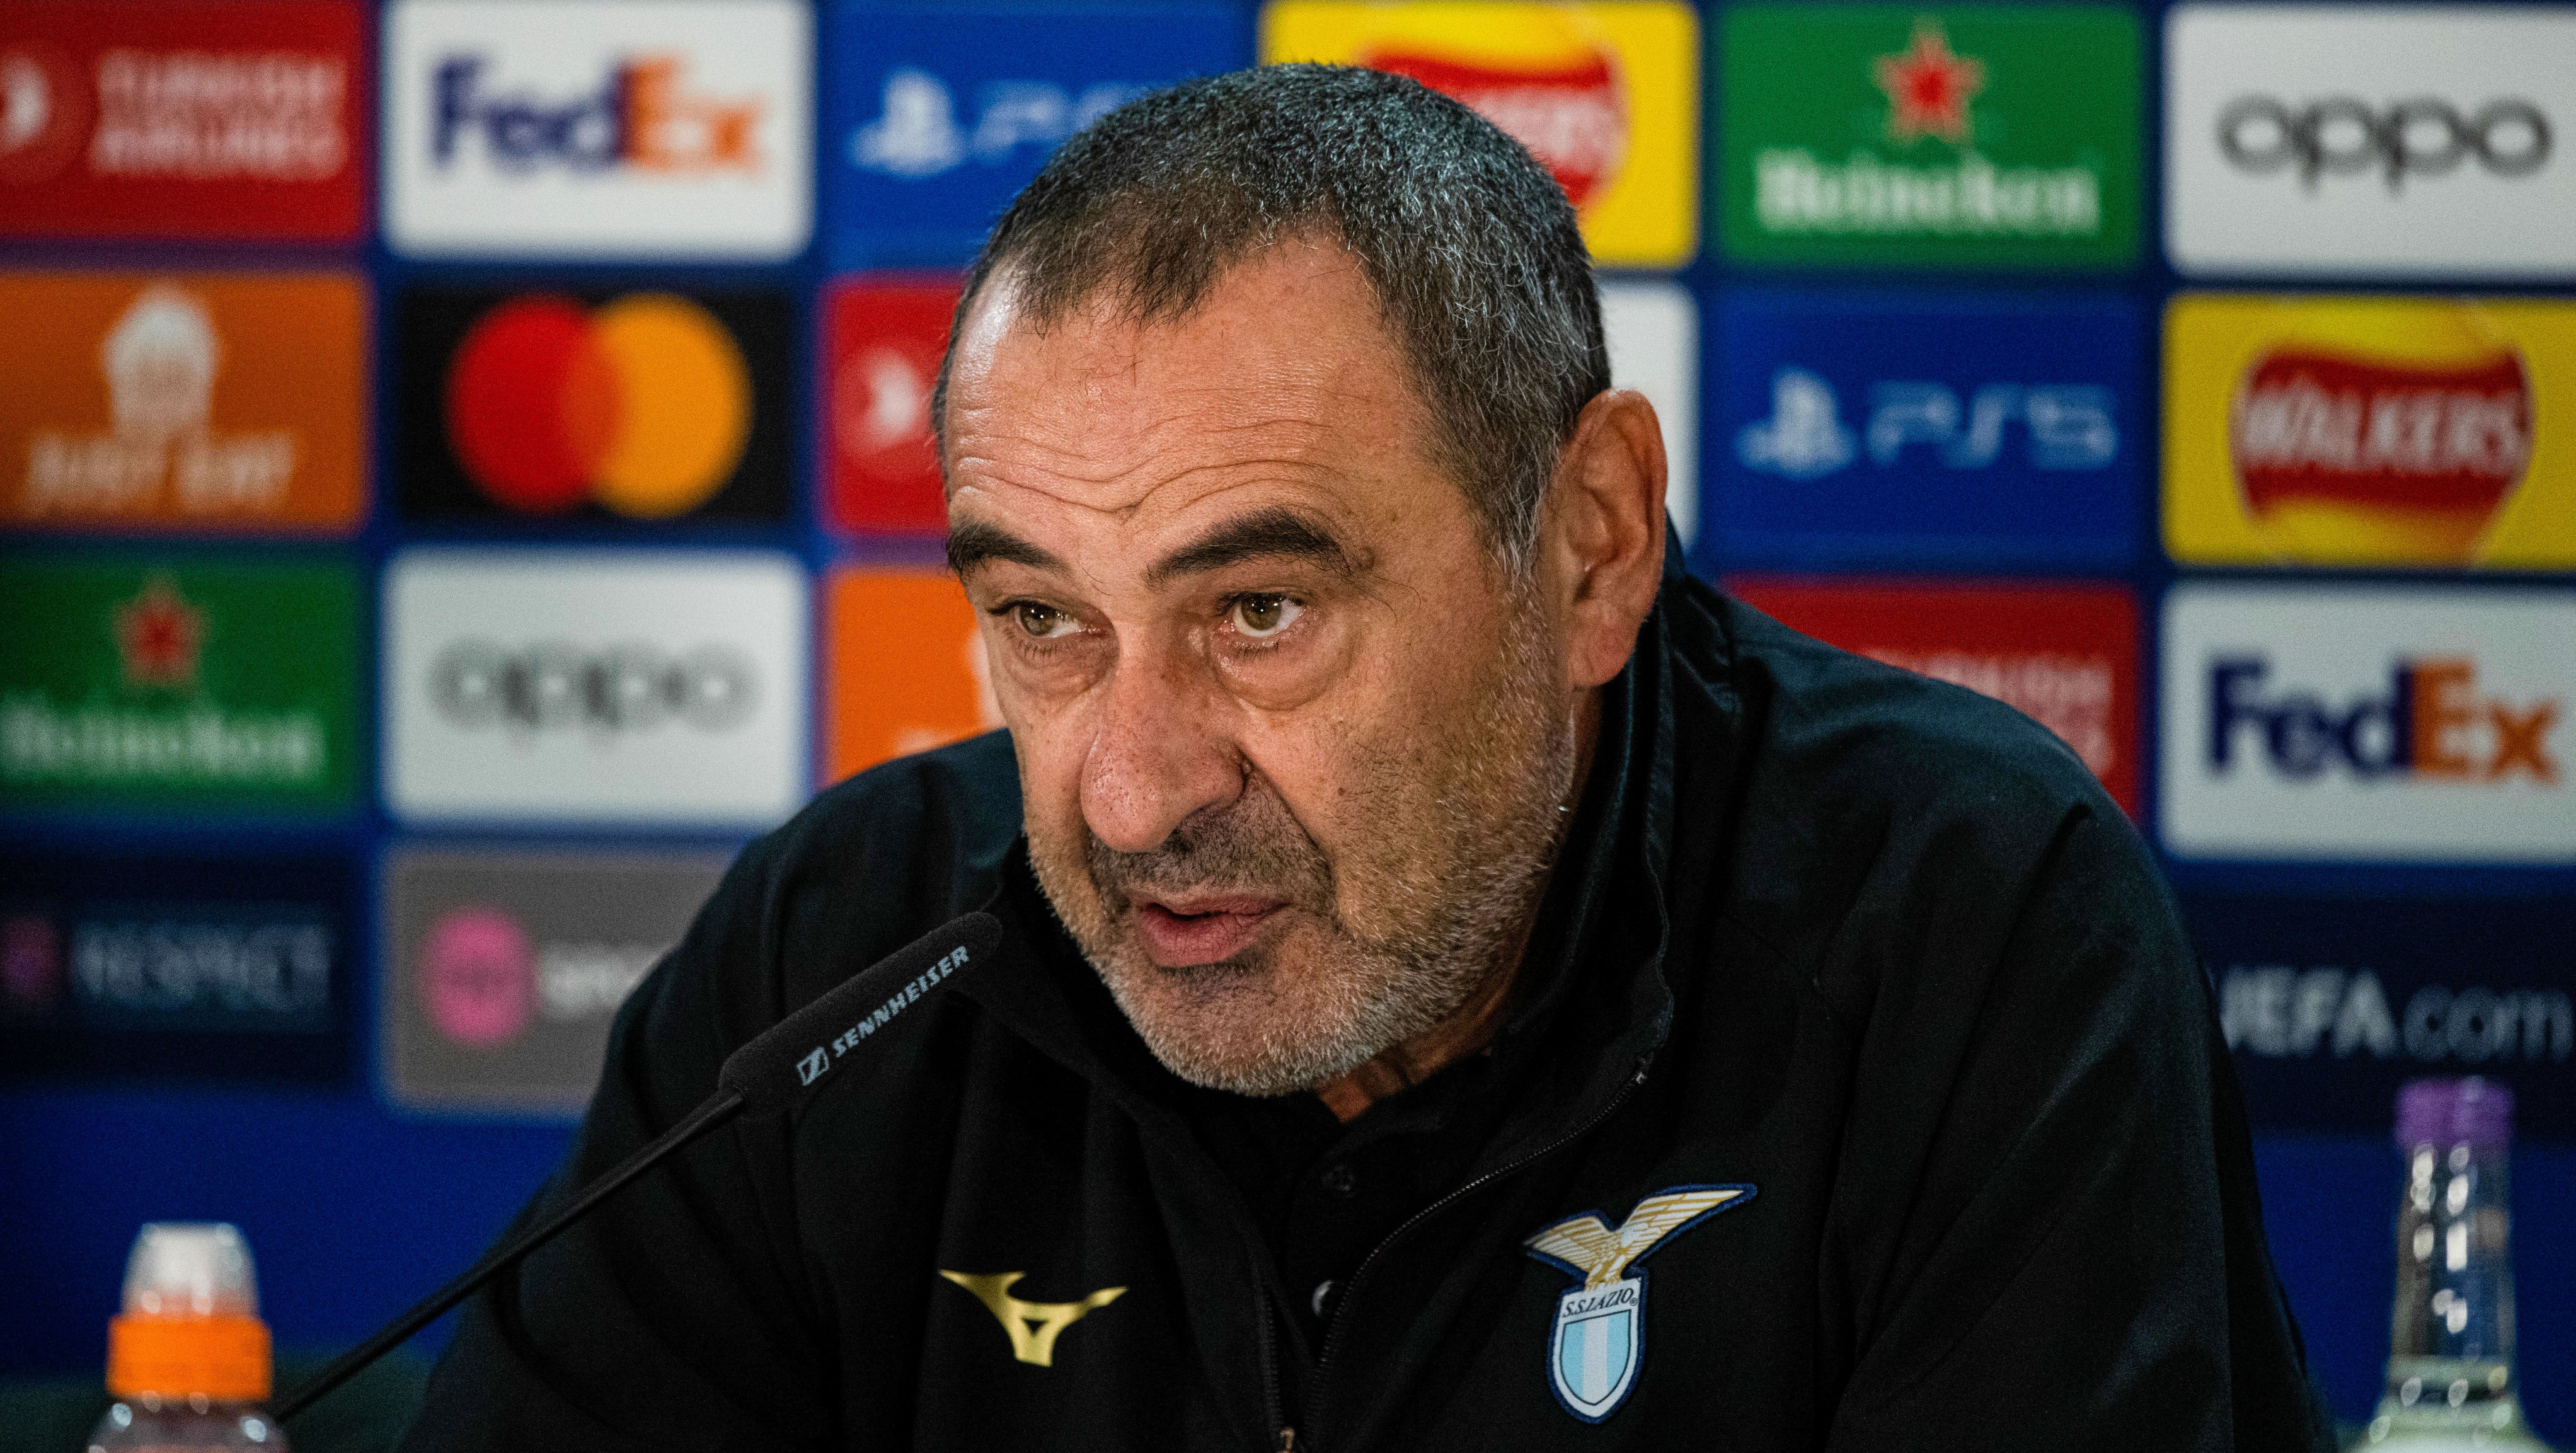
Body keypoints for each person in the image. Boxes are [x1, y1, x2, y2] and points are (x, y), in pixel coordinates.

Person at [400, 66, 2335, 1452]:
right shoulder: (840, 955)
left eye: (1259, 614)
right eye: (1043, 621)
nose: (1132, 789)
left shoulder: (1970, 927)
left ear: (1589, 543)